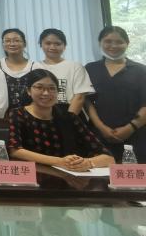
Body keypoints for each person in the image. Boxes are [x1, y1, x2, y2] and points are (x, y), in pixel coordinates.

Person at [8, 69, 113, 171]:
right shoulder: (18, 114)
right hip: (34, 176)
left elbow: (108, 158)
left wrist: (87, 163)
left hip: (68, 177)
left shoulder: (69, 117)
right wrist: (60, 162)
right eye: (39, 87)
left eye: (52, 88)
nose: (46, 93)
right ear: (28, 91)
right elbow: (14, 150)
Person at [85, 26, 146, 162]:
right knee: (100, 173)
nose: (113, 46)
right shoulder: (90, 68)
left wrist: (130, 128)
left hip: (135, 134)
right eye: (108, 41)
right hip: (99, 135)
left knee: (133, 173)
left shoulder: (141, 70)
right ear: (100, 42)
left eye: (119, 42)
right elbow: (87, 101)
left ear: (127, 43)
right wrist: (101, 127)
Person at [34, 28, 94, 115]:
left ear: (64, 46)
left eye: (58, 44)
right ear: (41, 44)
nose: (52, 47)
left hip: (71, 114)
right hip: (41, 115)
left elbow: (79, 97)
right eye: (48, 43)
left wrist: (68, 119)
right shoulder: (35, 66)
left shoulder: (75, 66)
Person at [0, 28, 34, 113]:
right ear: (3, 44)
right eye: (7, 41)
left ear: (25, 44)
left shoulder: (35, 67)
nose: (12, 44)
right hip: (1, 115)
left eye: (16, 40)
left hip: (29, 115)